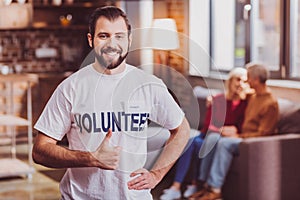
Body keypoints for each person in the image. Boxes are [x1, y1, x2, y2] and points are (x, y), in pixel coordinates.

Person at [32, 6, 190, 200]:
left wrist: (157, 174)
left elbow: (181, 129)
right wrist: (90, 158)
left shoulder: (149, 85)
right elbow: (40, 151)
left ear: (129, 40)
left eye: (119, 36)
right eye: (104, 36)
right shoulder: (71, 87)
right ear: (91, 40)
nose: (112, 44)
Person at [189, 63, 279, 200]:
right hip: (241, 138)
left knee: (224, 143)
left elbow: (264, 134)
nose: (246, 81)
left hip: (253, 142)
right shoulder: (254, 95)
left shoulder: (270, 104)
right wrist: (212, 97)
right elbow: (233, 94)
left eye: (248, 77)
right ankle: (204, 186)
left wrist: (239, 135)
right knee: (213, 139)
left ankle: (215, 189)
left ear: (255, 79)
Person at [159, 67, 249, 200]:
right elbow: (209, 126)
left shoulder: (246, 104)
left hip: (220, 140)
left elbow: (241, 127)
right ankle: (176, 187)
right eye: (237, 80)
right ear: (230, 82)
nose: (240, 84)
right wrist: (223, 129)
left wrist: (232, 131)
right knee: (192, 142)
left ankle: (193, 185)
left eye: (244, 81)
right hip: (208, 135)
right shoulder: (218, 99)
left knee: (197, 144)